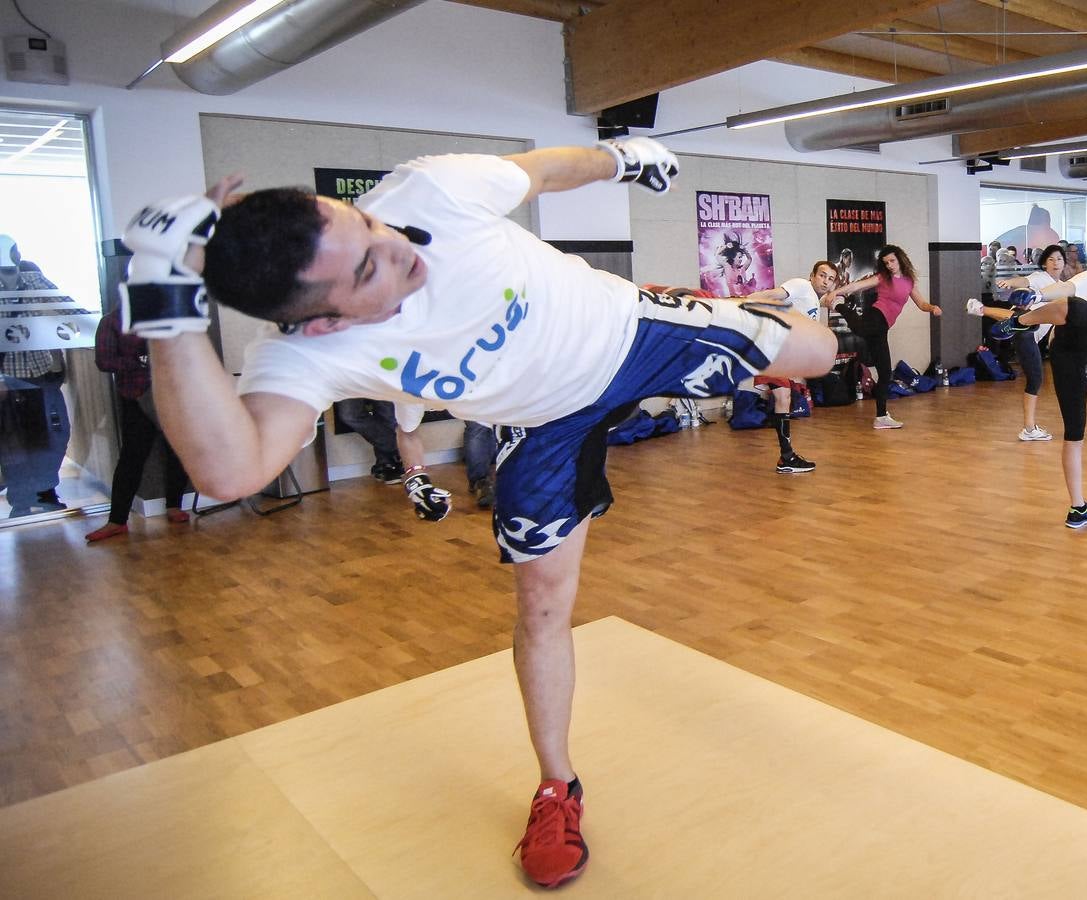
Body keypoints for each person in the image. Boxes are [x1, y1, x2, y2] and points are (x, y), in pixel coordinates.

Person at [119, 138, 837, 889]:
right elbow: (230, 469)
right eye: (369, 269)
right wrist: (163, 302)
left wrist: (625, 157)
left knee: (816, 352)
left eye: (364, 225)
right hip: (542, 424)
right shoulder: (304, 359)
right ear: (323, 324)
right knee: (542, 605)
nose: (395, 248)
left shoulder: (428, 194)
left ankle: (743, 311)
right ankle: (557, 788)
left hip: (627, 333)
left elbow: (544, 170)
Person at [987, 241, 1087, 528]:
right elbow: (1065, 290)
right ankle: (1022, 319)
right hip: (1067, 333)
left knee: (1074, 436)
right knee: (1076, 306)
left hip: (1074, 364)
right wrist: (1038, 293)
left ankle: (1078, 508)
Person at [84, 309, 192, 542]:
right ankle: (117, 520)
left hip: (172, 393)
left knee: (178, 452)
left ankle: (174, 505)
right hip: (136, 396)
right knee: (132, 458)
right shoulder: (112, 321)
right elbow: (103, 361)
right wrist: (139, 362)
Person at [0, 234, 72, 516]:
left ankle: (44, 491)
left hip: (42, 371)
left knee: (55, 434)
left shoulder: (31, 278)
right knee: (15, 442)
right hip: (9, 375)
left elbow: (65, 304)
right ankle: (21, 500)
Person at [834, 244, 943, 429]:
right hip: (875, 315)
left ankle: (881, 416)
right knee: (860, 329)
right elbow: (857, 285)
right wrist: (836, 292)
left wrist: (932, 308)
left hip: (883, 326)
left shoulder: (909, 282)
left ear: (900, 259)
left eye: (892, 260)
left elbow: (922, 303)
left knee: (885, 373)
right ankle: (838, 305)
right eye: (886, 262)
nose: (890, 265)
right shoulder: (883, 277)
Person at [743, 259, 839, 470]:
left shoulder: (813, 299)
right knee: (783, 397)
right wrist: (744, 301)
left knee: (782, 398)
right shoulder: (802, 286)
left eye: (830, 279)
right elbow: (774, 294)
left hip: (779, 352)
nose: (825, 281)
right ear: (812, 275)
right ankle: (786, 457)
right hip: (770, 348)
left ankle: (786, 457)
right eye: (822, 275)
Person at [979, 245, 1066, 440]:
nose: (1055, 263)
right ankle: (1029, 428)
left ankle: (1029, 428)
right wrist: (1010, 281)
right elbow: (1024, 280)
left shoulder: (1063, 287)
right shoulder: (1040, 277)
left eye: (1059, 259)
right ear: (1044, 263)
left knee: (1035, 379)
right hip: (1026, 334)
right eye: (1051, 259)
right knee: (1035, 379)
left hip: (1032, 337)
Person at [333, 397, 404, 482]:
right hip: (348, 383)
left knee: (387, 414)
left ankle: (386, 463)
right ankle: (399, 451)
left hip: (384, 383)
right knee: (350, 415)